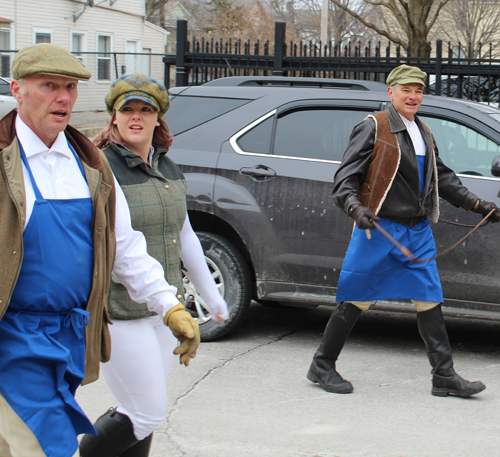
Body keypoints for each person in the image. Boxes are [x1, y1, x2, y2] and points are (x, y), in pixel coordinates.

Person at [0, 44, 200, 457]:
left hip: (70, 336)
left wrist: (169, 305)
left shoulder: (90, 164)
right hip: (14, 339)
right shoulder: (5, 161)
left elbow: (124, 246)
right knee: (49, 446)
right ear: (17, 90)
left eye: (70, 87)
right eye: (49, 86)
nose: (63, 97)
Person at [307, 64, 500, 398]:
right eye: (406, 89)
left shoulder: (423, 129)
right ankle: (322, 364)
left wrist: (478, 205)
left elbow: (442, 177)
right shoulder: (374, 127)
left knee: (429, 299)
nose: (413, 96)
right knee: (356, 298)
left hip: (418, 231)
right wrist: (355, 208)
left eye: (419, 90)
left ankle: (444, 376)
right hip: (380, 230)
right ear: (390, 92)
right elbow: (344, 180)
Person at [78, 74, 229, 457]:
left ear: (158, 119)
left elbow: (186, 234)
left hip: (164, 309)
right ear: (113, 116)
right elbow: (116, 244)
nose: (136, 117)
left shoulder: (168, 167)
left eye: (145, 110)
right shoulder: (101, 168)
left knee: (142, 412)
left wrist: (211, 297)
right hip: (119, 310)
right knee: (146, 412)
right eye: (127, 109)